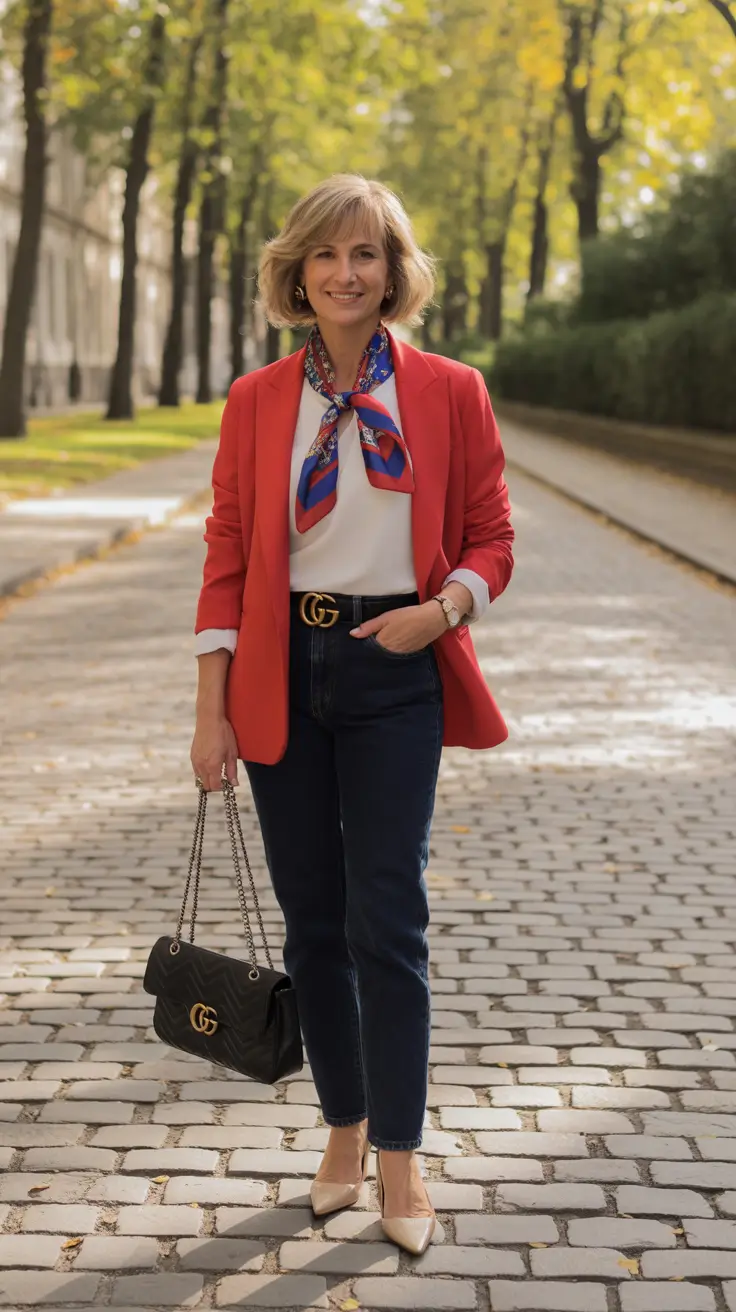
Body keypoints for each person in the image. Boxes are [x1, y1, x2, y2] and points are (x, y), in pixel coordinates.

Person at [191, 173, 514, 1255]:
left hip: (395, 671)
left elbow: (492, 535)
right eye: (325, 255)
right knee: (313, 923)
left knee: (391, 918)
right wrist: (210, 709)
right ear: (298, 271)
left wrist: (443, 610)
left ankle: (401, 1160)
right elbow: (227, 555)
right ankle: (341, 1129)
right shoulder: (254, 402)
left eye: (365, 253)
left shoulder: (450, 391)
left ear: (393, 270)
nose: (345, 273)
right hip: (282, 672)